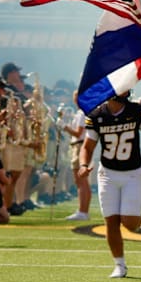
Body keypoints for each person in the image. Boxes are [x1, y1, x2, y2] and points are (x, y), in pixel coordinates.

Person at [77, 90, 141, 279]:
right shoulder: (97, 115)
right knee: (111, 220)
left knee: (130, 223)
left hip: (132, 173)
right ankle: (120, 264)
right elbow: (87, 146)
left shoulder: (136, 110)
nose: (127, 90)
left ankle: (136, 218)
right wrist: (84, 164)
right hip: (108, 173)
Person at [62, 91, 89, 221]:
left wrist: (65, 127)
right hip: (78, 145)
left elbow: (78, 133)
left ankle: (83, 211)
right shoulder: (81, 113)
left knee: (81, 180)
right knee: (80, 181)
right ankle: (82, 210)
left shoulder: (83, 113)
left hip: (80, 145)